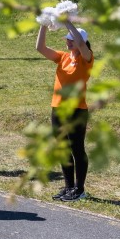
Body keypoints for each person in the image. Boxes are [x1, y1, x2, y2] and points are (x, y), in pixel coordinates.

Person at [36, 20, 94, 201]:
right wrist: (43, 24)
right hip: (57, 108)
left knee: (77, 149)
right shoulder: (63, 57)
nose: (68, 42)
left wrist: (68, 22)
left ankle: (80, 189)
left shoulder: (87, 58)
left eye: (71, 39)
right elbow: (40, 47)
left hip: (76, 110)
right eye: (67, 39)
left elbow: (83, 46)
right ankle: (69, 187)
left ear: (79, 41)